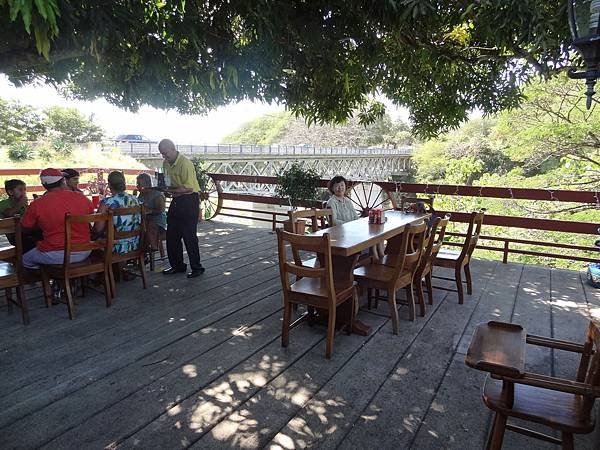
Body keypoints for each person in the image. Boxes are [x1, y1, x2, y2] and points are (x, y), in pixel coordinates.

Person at [20, 168, 93, 269]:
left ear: (44, 185)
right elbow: (90, 216)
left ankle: (48, 280)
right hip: (84, 250)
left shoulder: (37, 204)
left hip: (54, 254)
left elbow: (24, 226)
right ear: (63, 181)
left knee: (24, 260)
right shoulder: (82, 198)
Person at [158, 138, 204, 278]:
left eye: (166, 153)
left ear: (173, 149)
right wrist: (165, 189)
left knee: (189, 236)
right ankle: (177, 266)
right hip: (176, 199)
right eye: (162, 154)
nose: (164, 156)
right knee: (172, 235)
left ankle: (197, 267)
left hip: (189, 200)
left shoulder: (185, 163)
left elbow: (189, 187)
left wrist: (174, 191)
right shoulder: (166, 164)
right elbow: (168, 182)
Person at [94, 171, 141, 253]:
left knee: (92, 241)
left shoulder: (106, 203)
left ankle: (108, 265)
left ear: (109, 185)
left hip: (115, 247)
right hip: (135, 244)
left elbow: (98, 229)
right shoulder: (135, 200)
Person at [136, 172, 167, 251]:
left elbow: (160, 210)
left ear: (147, 184)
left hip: (158, 223)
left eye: (139, 184)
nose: (137, 186)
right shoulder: (141, 195)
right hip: (145, 221)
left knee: (147, 227)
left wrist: (149, 211)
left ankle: (146, 250)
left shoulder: (157, 194)